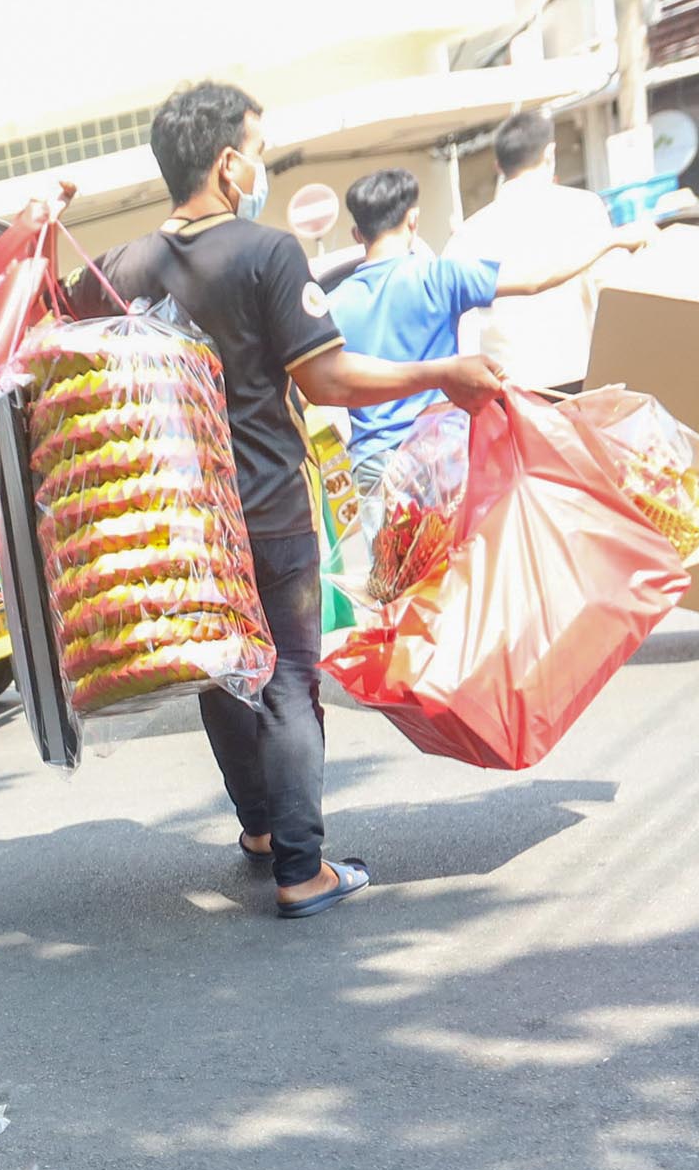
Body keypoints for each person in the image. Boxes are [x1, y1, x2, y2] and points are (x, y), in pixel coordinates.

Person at [78, 81, 503, 921]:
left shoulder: (118, 270)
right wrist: (439, 374)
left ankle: (264, 830)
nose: (263, 167)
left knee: (219, 675)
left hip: (171, 525)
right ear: (230, 163)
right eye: (259, 151)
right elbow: (328, 377)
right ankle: (301, 870)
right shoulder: (266, 253)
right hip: (264, 509)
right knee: (286, 680)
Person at [329, 163, 649, 474]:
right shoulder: (439, 276)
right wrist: (611, 240)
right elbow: (534, 279)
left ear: (357, 234)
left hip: (374, 463)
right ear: (412, 220)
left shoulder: (335, 304)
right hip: (441, 455)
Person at [447, 109, 627, 395]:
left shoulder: (468, 234)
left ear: (498, 166)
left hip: (507, 388)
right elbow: (611, 291)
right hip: (578, 375)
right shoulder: (583, 208)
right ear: (550, 153)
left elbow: (460, 323)